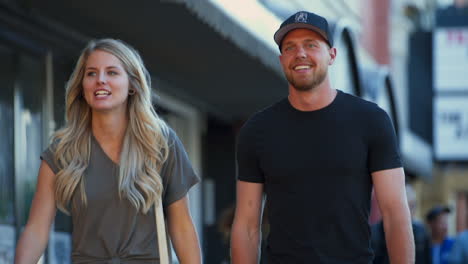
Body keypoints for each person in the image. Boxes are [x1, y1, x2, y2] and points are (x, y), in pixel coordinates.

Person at [230, 11, 415, 264]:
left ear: (332, 55)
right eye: (290, 47)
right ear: (282, 59)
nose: (301, 54)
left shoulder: (371, 121)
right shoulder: (257, 130)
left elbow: (395, 214)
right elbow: (247, 224)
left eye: (311, 45)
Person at [14, 39, 201, 263]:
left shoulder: (160, 145)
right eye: (91, 73)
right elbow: (36, 230)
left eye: (112, 72)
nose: (100, 80)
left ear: (132, 85)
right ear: (82, 86)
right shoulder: (62, 152)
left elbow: (182, 227)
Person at [371, 183, 432, 264]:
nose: (409, 211)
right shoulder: (374, 233)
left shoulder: (421, 232)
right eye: (406, 206)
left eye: (413, 206)